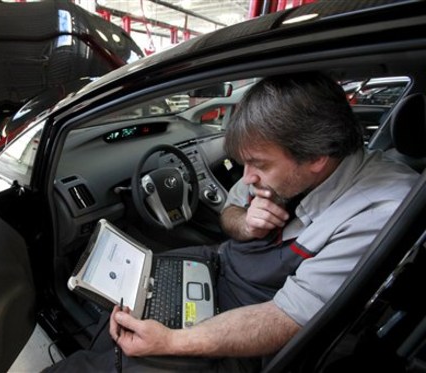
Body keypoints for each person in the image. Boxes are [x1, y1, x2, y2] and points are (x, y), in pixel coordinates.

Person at [46, 72, 418, 372]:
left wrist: (174, 342)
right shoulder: (281, 164)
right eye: (244, 162)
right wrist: (245, 224)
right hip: (220, 262)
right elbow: (229, 213)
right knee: (131, 297)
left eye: (259, 164)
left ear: (317, 157)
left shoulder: (381, 207)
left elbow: (286, 319)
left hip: (256, 323)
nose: (248, 176)